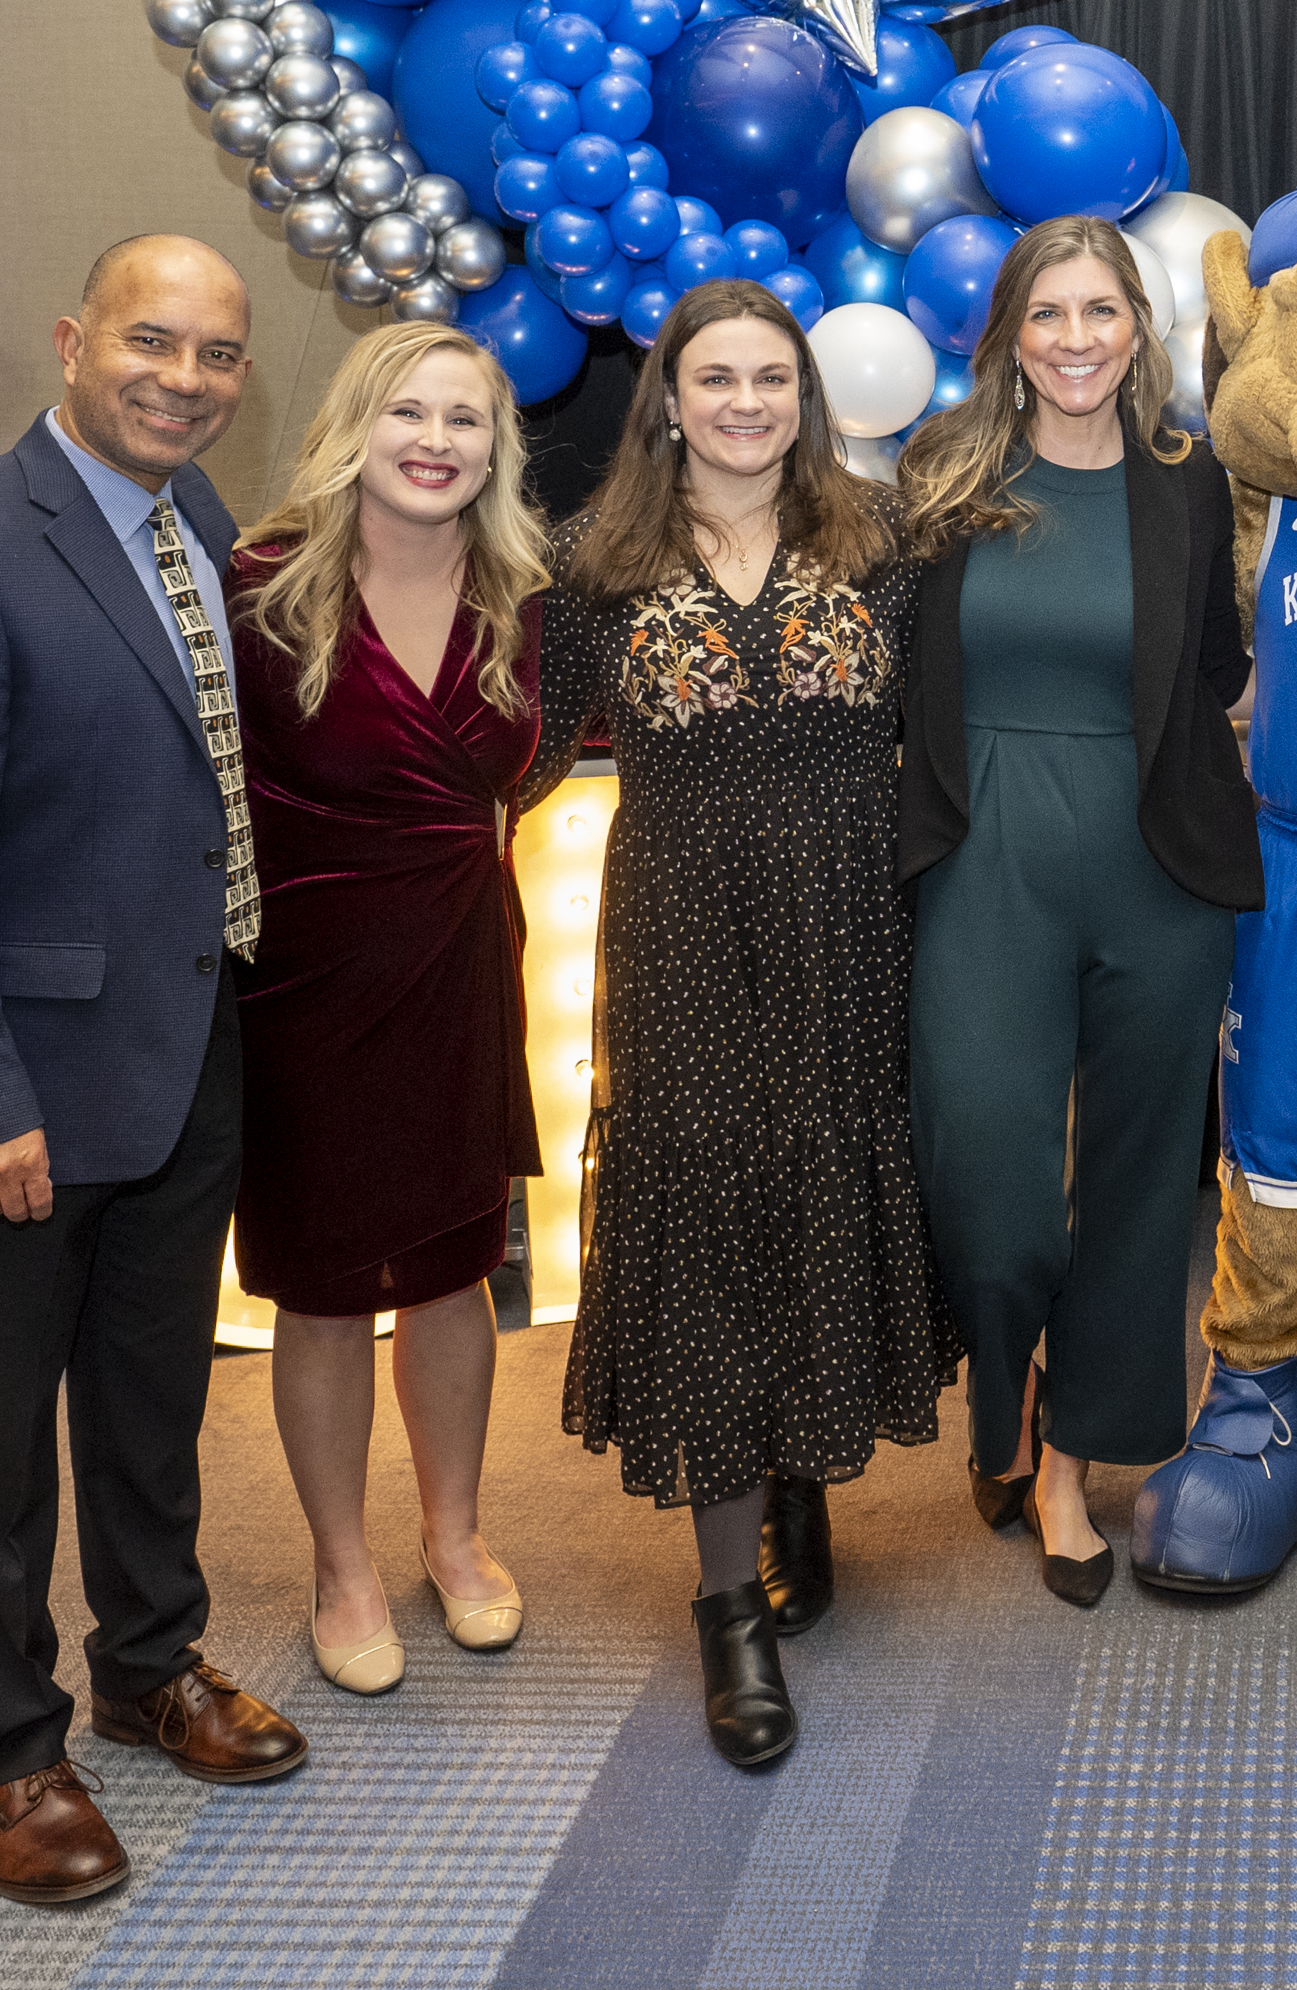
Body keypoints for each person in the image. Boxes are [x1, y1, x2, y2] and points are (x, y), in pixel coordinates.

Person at [0, 234, 308, 1907]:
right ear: (73, 340)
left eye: (218, 355)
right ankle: (10, 1751)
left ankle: (148, 1665)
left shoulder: (193, 522)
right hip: (17, 1089)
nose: (185, 379)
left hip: (181, 1055)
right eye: (153, 343)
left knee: (151, 1400)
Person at [521, 279, 955, 1772]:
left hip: (848, 936)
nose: (749, 404)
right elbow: (507, 761)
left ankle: (798, 1474)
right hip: (685, 942)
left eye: (775, 378)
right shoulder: (596, 568)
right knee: (706, 1226)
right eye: (719, 379)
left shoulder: (880, 548)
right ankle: (729, 1610)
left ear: (808, 399)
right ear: (669, 400)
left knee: (817, 1198)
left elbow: (964, 729)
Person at [896, 215, 1258, 1611]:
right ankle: (1015, 1389)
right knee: (988, 1192)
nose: (1076, 340)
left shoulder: (1186, 479)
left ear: (1137, 326)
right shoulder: (945, 470)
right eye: (1048, 315)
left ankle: (1067, 1466)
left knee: (1137, 1180)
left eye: (1102, 311)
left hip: (1156, 868)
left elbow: (1214, 663)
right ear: (1008, 334)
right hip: (984, 859)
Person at [225, 323, 554, 1695]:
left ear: (495, 446)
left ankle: (457, 1538)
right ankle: (342, 1565)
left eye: (464, 420)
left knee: (452, 1266)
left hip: (460, 962)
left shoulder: (523, 594)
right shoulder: (254, 588)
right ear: (356, 425)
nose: (435, 441)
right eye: (408, 412)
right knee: (320, 1286)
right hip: (304, 982)